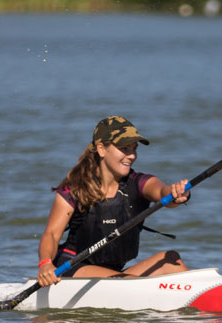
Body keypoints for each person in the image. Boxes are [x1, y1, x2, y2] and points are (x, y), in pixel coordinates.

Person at [37, 115, 191, 286]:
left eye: (134, 149)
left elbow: (163, 194)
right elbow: (51, 234)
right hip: (73, 269)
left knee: (171, 259)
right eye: (124, 148)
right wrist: (45, 264)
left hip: (116, 274)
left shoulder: (138, 183)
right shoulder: (75, 188)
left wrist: (176, 192)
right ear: (102, 149)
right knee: (131, 283)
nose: (131, 155)